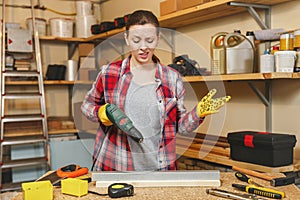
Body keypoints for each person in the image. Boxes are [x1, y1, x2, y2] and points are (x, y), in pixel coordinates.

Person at [81, 10, 230, 171]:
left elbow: (181, 128)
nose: (143, 47)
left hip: (159, 167)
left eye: (150, 40)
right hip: (116, 165)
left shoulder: (172, 78)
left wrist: (198, 113)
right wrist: (101, 112)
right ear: (127, 39)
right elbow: (87, 105)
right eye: (136, 40)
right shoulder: (109, 73)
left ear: (158, 39)